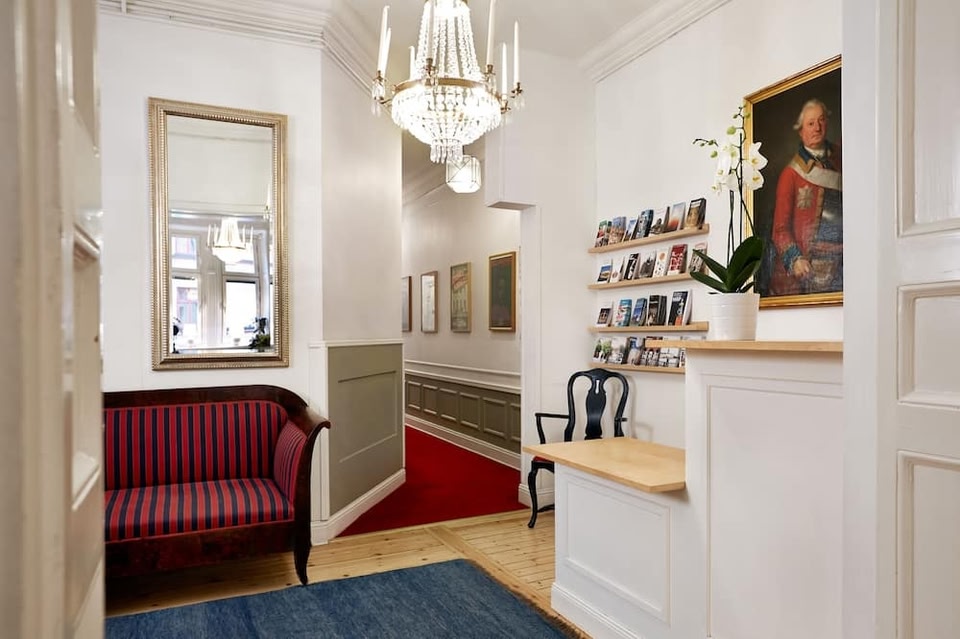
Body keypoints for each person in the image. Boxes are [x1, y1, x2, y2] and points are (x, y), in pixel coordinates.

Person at [770, 98, 842, 296]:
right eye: (811, 123)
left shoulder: (842, 159)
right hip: (812, 266)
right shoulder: (790, 175)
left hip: (846, 260)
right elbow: (780, 230)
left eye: (821, 120)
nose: (817, 128)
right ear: (801, 131)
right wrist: (795, 259)